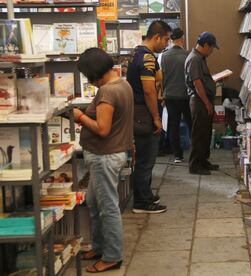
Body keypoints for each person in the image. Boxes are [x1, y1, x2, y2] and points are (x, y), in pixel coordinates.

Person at [73, 48, 133, 273]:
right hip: (109, 155)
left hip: (104, 156)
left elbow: (103, 129)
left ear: (93, 73)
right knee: (96, 203)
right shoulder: (123, 84)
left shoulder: (107, 92)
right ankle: (99, 246)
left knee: (107, 207)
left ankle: (112, 256)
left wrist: (80, 117)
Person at [127, 20, 171, 213]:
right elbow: (149, 91)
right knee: (146, 159)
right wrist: (156, 117)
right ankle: (142, 203)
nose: (167, 44)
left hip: (139, 112)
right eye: (166, 39)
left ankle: (144, 194)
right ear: (156, 37)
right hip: (144, 113)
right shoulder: (147, 58)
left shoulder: (138, 52)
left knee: (145, 158)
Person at [185, 32, 220, 175]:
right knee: (198, 134)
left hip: (203, 100)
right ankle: (195, 165)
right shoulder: (194, 59)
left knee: (205, 133)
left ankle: (203, 161)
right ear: (205, 45)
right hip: (199, 101)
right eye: (211, 48)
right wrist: (206, 102)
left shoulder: (200, 58)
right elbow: (197, 82)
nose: (212, 51)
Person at [160, 28, 192, 163]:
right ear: (182, 39)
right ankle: (195, 153)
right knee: (191, 124)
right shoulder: (187, 55)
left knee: (173, 125)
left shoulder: (164, 56)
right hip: (185, 95)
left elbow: (162, 77)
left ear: (171, 40)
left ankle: (177, 155)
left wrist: (162, 94)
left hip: (170, 96)